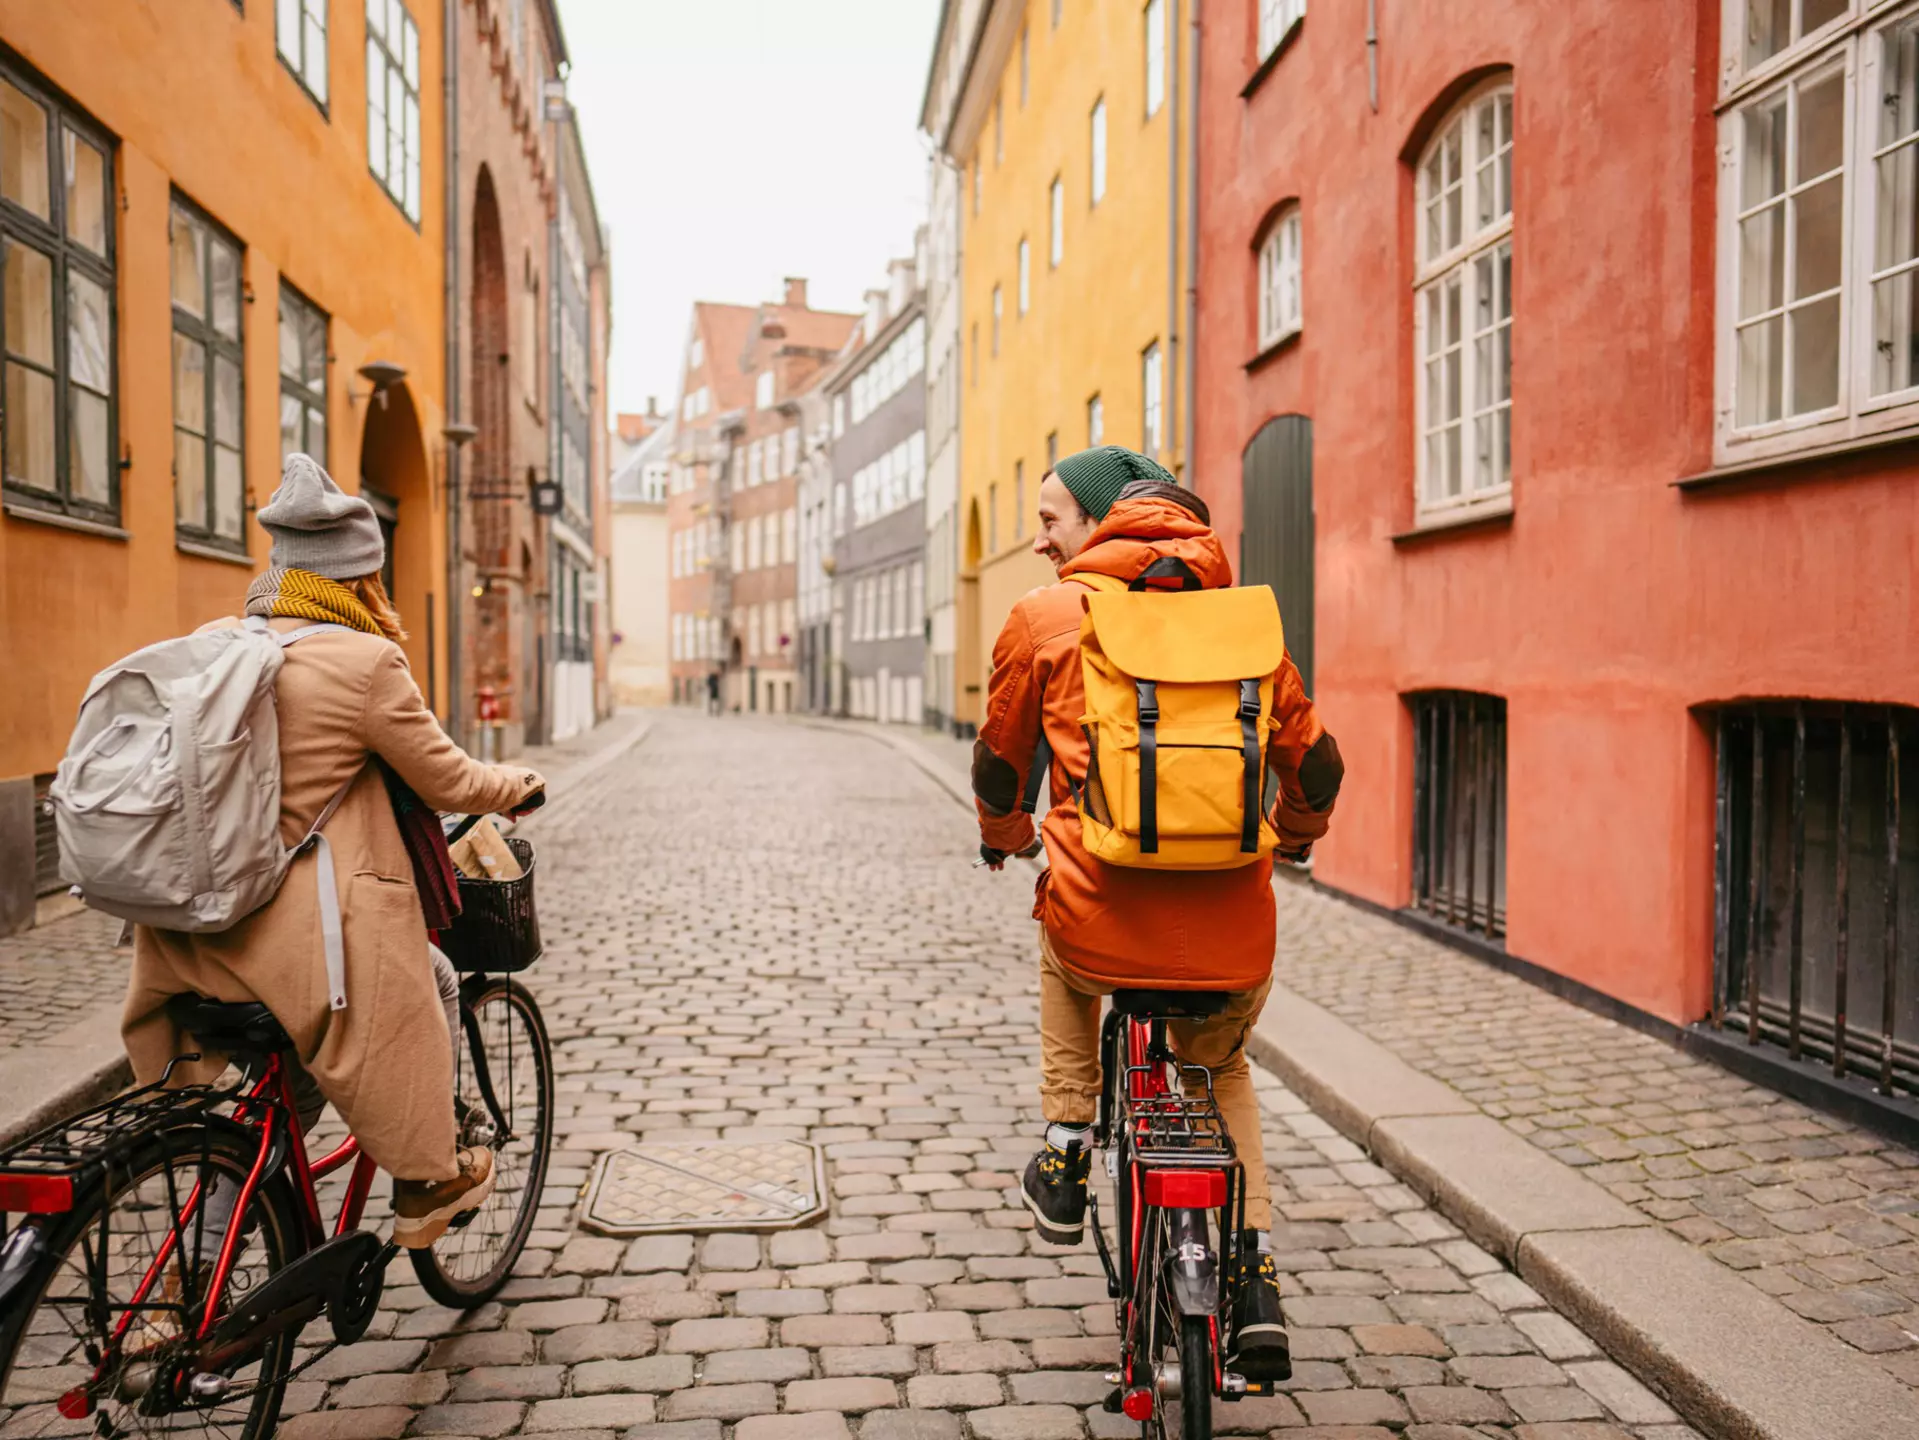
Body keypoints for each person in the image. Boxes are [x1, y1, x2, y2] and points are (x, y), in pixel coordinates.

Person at [973, 446, 1343, 1382]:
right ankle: (1252, 1269)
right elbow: (1318, 765)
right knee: (1219, 1065)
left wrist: (1007, 834)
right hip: (1229, 928)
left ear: (1100, 522)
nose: (1037, 536)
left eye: (1052, 517)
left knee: (1062, 951)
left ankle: (1063, 1144)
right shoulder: (1245, 622)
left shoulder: (1045, 618)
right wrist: (1292, 837)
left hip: (1098, 919)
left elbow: (999, 761)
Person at [121, 454, 546, 1250]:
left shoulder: (217, 642)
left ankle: (192, 1274)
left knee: (281, 1091)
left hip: (188, 940)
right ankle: (428, 1173)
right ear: (362, 577)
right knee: (442, 977)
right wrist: (516, 780)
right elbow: (448, 777)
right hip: (299, 948)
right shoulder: (363, 661)